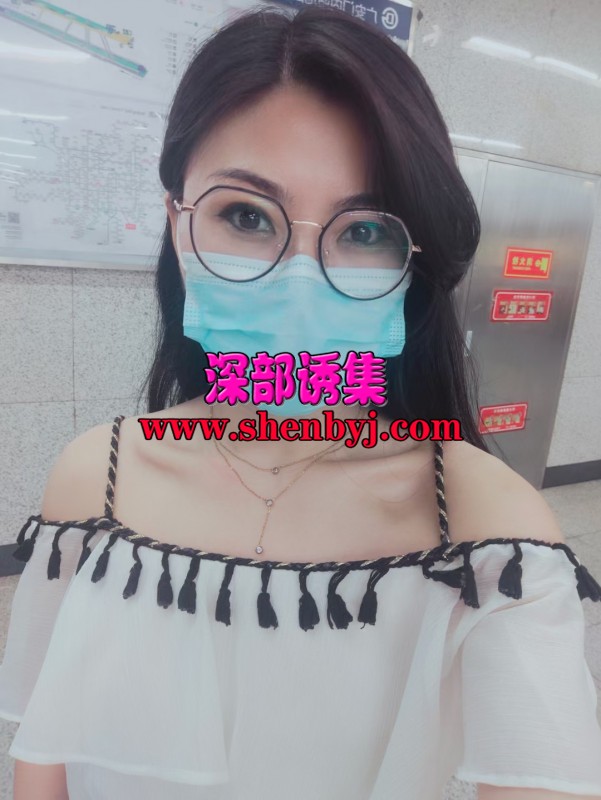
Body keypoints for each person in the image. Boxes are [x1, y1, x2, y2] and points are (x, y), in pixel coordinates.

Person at [1, 5, 600, 800]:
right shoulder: (95, 480)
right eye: (246, 216)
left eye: (364, 231)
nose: (299, 277)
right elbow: (45, 764)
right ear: (177, 222)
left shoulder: (485, 530)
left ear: (412, 261)